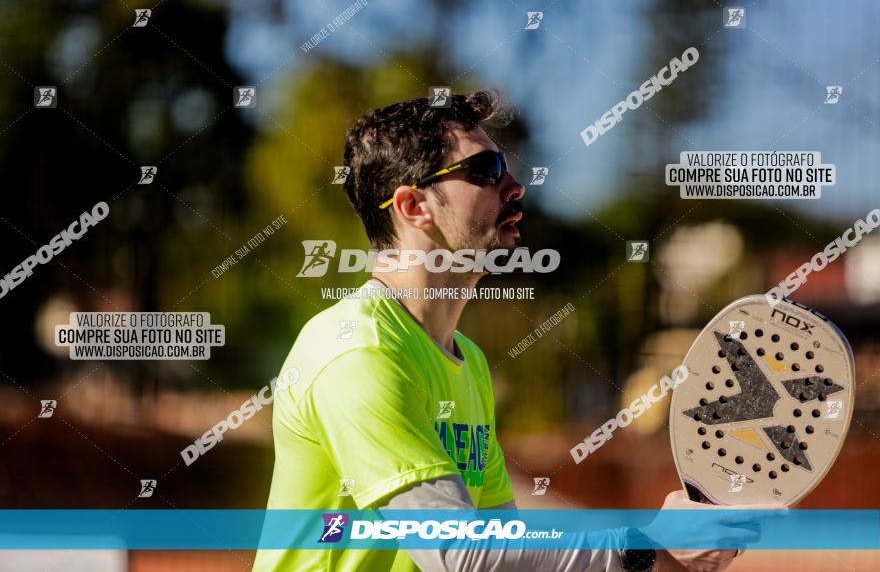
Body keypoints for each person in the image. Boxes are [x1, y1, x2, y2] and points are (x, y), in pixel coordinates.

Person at [252, 90, 779, 571]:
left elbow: (503, 548)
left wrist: (669, 556)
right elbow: (459, 556)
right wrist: (643, 548)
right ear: (414, 207)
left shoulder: (468, 362)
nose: (516, 185)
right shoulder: (360, 352)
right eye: (486, 169)